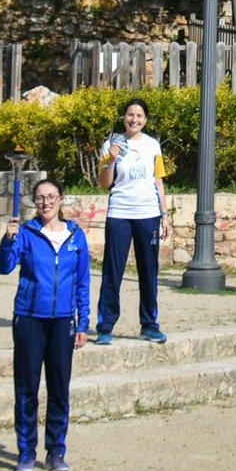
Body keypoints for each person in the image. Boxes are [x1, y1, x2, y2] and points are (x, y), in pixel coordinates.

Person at [0, 176, 90, 471]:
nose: (45, 202)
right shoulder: (25, 233)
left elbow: (82, 282)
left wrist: (83, 322)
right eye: (40, 198)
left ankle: (56, 452)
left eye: (51, 197)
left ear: (60, 199)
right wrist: (7, 241)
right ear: (34, 202)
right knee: (27, 387)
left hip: (63, 322)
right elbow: (3, 267)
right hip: (29, 320)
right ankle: (26, 453)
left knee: (59, 388)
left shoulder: (76, 235)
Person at [94, 96, 170, 345]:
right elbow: (104, 183)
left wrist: (165, 215)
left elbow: (158, 182)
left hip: (148, 215)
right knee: (112, 271)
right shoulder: (110, 144)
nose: (134, 119)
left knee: (148, 271)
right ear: (124, 117)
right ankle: (105, 326)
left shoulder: (153, 146)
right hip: (119, 214)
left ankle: (149, 325)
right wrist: (111, 159)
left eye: (139, 116)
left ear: (145, 120)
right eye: (130, 114)